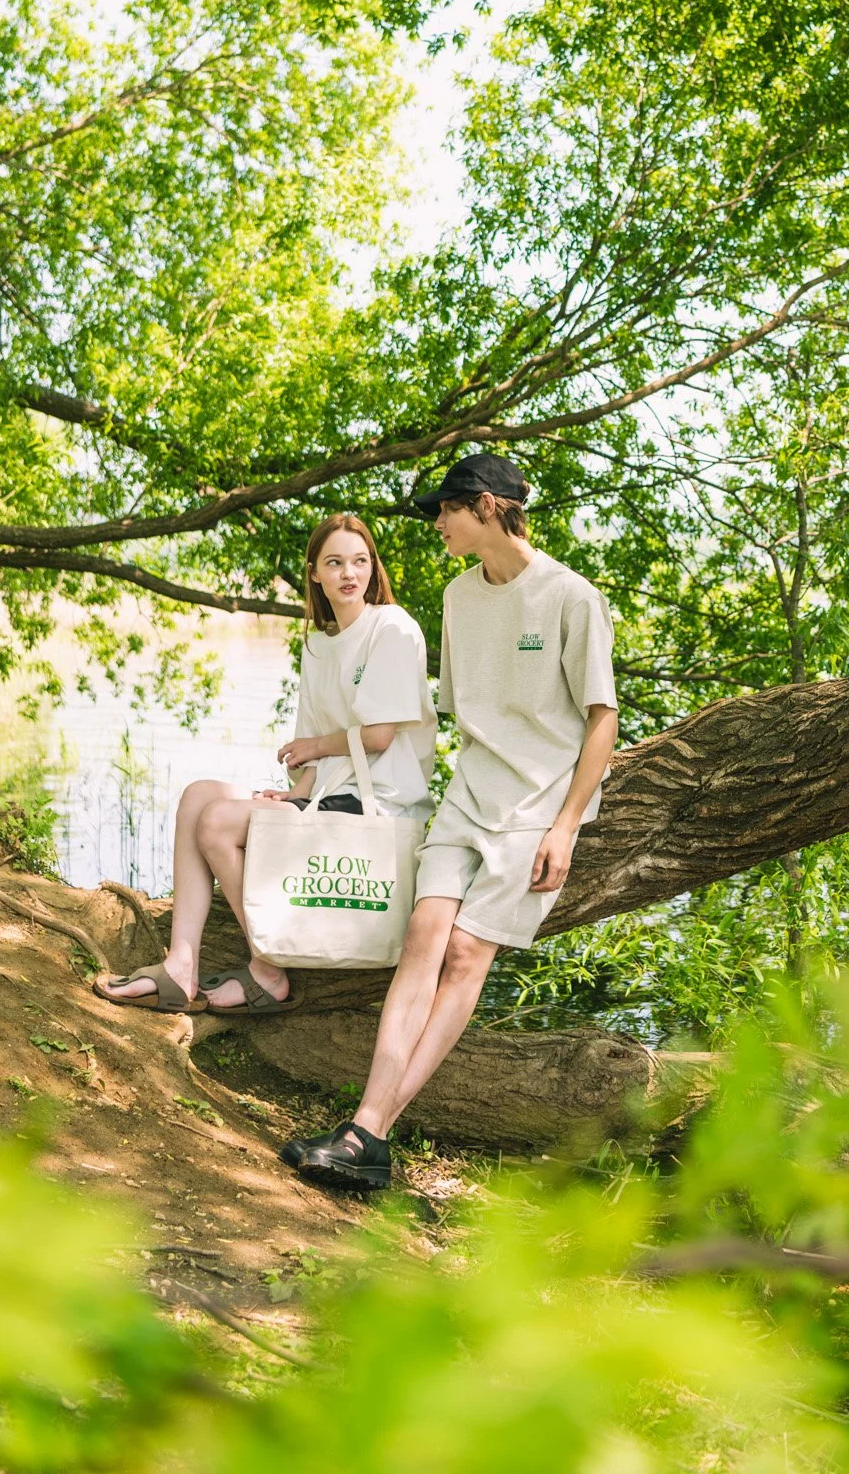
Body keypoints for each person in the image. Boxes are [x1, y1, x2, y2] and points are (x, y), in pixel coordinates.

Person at [285, 452, 618, 1190]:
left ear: (488, 506)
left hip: (536, 808)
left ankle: (369, 1131)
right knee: (423, 936)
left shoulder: (571, 597)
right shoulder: (457, 596)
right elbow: (459, 713)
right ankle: (367, 1133)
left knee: (466, 954)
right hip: (468, 796)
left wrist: (565, 826)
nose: (437, 523)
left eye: (446, 509)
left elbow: (602, 720)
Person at [94, 513, 436, 1016]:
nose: (349, 573)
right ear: (314, 573)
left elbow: (379, 736)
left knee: (218, 822)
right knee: (198, 795)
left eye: (360, 561)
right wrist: (296, 794)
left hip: (379, 802)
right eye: (334, 562)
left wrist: (314, 750)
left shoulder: (392, 628)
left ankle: (268, 969)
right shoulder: (318, 645)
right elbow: (315, 754)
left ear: (372, 567)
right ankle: (181, 964)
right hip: (329, 796)